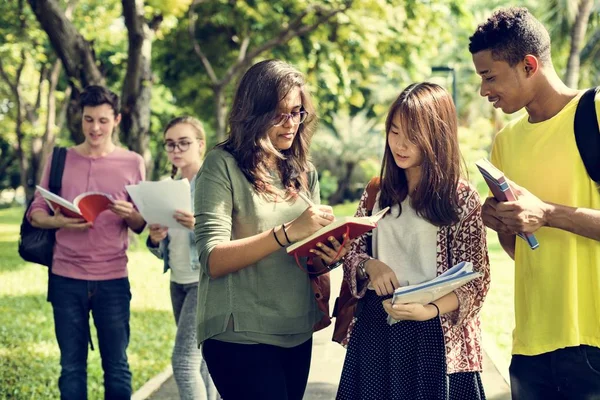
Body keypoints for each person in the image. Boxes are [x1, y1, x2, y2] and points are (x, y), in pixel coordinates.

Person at [194, 59, 350, 400]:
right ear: (254, 112)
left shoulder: (304, 171)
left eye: (297, 112)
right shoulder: (221, 165)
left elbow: (304, 257)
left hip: (296, 328)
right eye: (280, 113)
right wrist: (288, 232)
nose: (290, 123)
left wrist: (328, 256)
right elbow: (212, 258)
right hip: (239, 334)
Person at [469, 7, 600, 399]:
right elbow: (521, 251)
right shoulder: (505, 143)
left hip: (593, 341)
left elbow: (543, 217)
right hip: (530, 348)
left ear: (528, 65)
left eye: (489, 76)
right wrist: (504, 223)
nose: (483, 90)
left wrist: (547, 213)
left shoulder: (593, 113)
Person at [336, 82, 490, 400]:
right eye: (394, 132)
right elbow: (351, 250)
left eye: (412, 135)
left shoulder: (459, 198)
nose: (400, 145)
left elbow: (477, 281)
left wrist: (430, 310)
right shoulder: (376, 192)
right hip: (378, 330)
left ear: (437, 135)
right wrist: (370, 265)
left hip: (437, 333)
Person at [28, 85, 146, 399]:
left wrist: (130, 214)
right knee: (71, 367)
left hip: (113, 280)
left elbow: (140, 225)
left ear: (117, 120)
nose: (95, 128)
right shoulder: (59, 158)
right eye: (89, 119)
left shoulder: (133, 162)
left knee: (117, 366)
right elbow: (36, 212)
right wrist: (61, 221)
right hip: (66, 277)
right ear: (80, 119)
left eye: (103, 121)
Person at [146, 116, 219, 400]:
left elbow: (232, 236)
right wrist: (155, 238)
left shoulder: (212, 184)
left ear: (200, 145)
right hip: (177, 280)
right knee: (202, 362)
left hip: (204, 282)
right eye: (170, 144)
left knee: (184, 363)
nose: (176, 150)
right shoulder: (168, 186)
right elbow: (161, 246)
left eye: (183, 143)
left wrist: (198, 225)